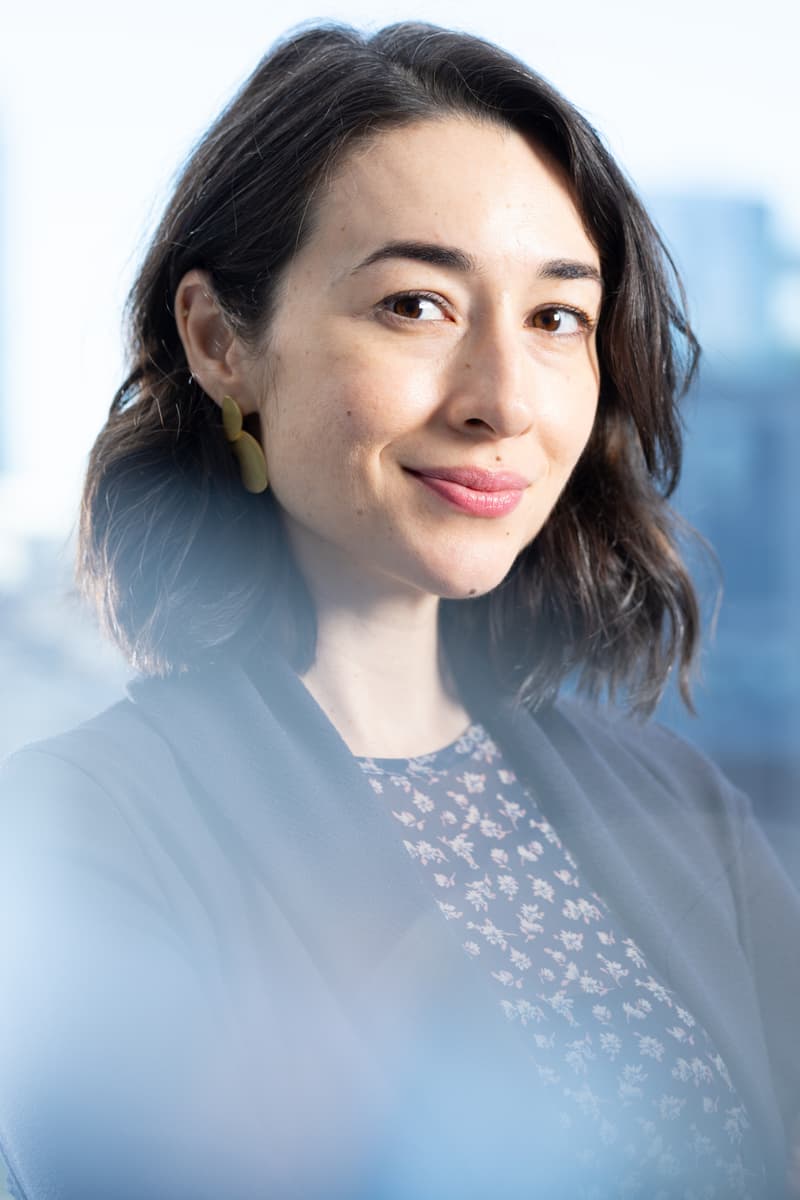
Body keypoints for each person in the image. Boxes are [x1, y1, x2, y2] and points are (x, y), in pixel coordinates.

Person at [0, 19, 798, 1200]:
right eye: (416, 306)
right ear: (221, 340)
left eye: (554, 319)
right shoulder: (73, 835)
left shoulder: (685, 809)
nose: (501, 402)